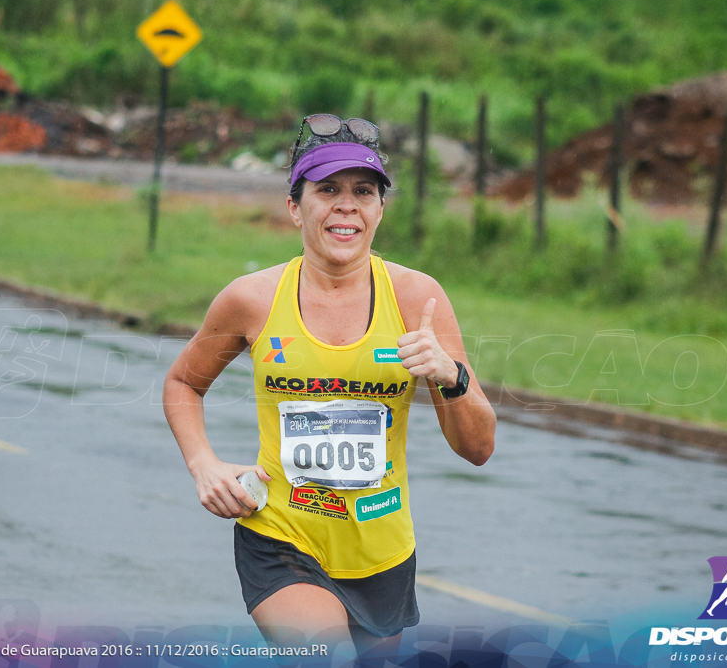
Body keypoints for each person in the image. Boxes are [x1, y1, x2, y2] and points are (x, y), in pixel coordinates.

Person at [163, 114, 496, 656]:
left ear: (380, 209)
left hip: (383, 553)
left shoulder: (418, 299)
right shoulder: (252, 299)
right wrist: (204, 465)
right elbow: (182, 381)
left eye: (363, 191)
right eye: (328, 190)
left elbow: (479, 448)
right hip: (281, 540)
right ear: (295, 207)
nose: (347, 205)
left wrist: (450, 377)